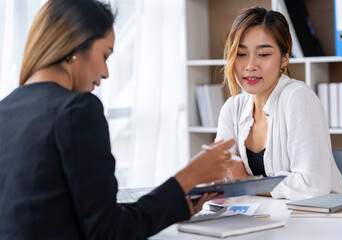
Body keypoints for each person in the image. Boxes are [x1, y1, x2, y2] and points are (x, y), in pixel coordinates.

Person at [0, 0, 236, 239]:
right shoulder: (76, 109)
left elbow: (67, 213)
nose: (105, 73)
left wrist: (177, 205)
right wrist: (189, 176)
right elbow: (109, 232)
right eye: (105, 55)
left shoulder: (5, 109)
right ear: (75, 44)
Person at [215, 6, 342, 200]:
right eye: (241, 54)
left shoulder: (298, 97)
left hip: (317, 219)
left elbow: (312, 186)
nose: (250, 65)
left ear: (285, 58)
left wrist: (245, 181)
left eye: (264, 54)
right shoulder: (232, 108)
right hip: (265, 216)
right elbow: (222, 172)